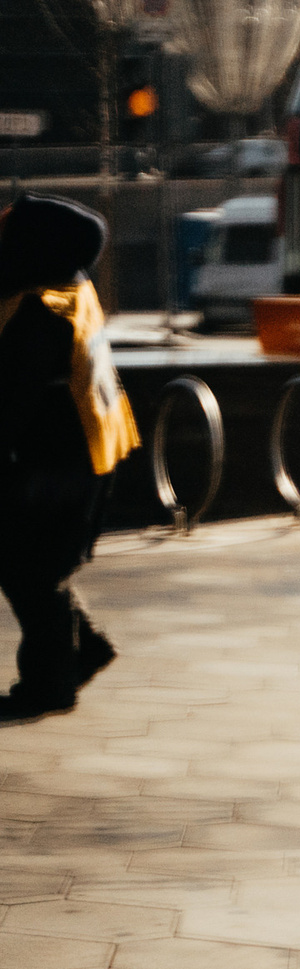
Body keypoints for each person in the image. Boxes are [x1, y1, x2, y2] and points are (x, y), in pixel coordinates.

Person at [0, 193, 138, 723]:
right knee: (37, 566)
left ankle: (49, 685)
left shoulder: (42, 308)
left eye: (9, 227)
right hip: (88, 448)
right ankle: (83, 650)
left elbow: (13, 396)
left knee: (31, 570)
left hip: (57, 459)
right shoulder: (68, 285)